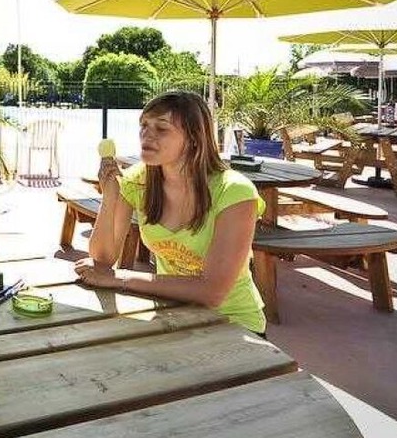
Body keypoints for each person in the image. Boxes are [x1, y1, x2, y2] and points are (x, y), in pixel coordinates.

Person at [74, 91, 266, 335]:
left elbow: (213, 292)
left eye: (161, 129)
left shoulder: (234, 191)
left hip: (235, 325)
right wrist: (110, 195)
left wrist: (120, 278)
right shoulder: (138, 180)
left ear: (194, 138)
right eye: (144, 126)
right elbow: (102, 260)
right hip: (174, 316)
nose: (147, 135)